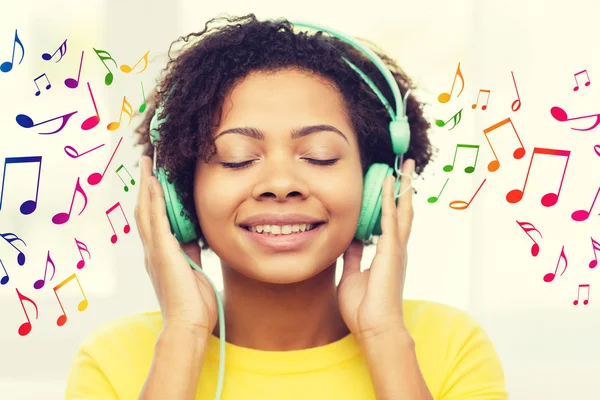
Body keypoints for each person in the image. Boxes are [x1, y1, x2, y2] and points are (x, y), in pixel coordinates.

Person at [65, 13, 507, 400]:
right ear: (179, 193)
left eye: (319, 156)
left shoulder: (449, 346)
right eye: (237, 158)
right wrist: (183, 334)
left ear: (379, 187)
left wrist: (384, 337)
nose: (280, 184)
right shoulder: (115, 360)